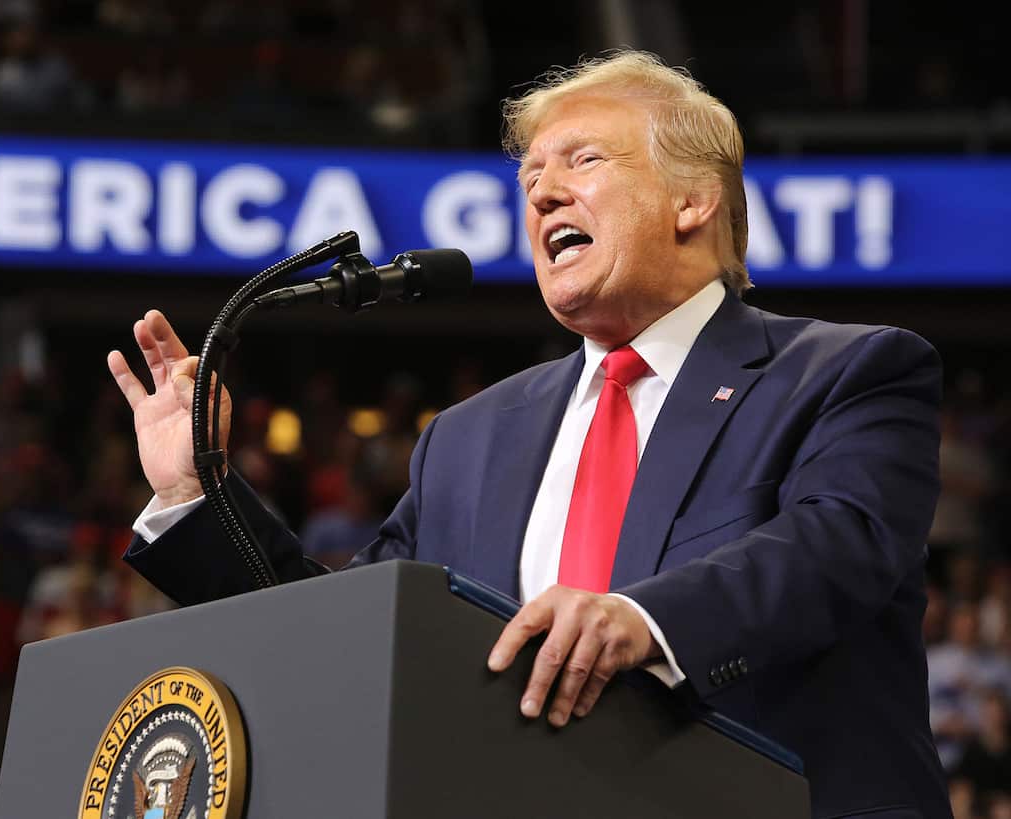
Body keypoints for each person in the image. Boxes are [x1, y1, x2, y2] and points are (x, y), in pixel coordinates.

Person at [107, 50, 947, 817]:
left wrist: (643, 621)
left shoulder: (848, 372)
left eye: (583, 160)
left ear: (695, 200)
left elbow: (835, 545)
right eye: (531, 177)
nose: (542, 192)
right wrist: (195, 491)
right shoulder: (470, 439)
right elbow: (347, 637)